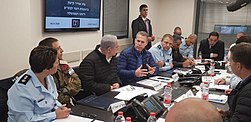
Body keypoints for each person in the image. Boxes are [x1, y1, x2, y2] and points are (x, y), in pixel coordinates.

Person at [7, 46, 71, 121]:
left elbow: (52, 99)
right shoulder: (21, 89)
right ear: (47, 68)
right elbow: (25, 120)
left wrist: (60, 108)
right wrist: (55, 115)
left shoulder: (48, 77)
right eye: (57, 62)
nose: (59, 64)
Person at [39, 37, 81, 108]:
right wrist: (67, 91)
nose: (62, 50)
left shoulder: (63, 65)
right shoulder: (43, 72)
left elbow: (77, 83)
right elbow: (52, 98)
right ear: (49, 53)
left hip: (67, 106)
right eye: (58, 49)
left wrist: (64, 91)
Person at [217, 43, 251, 121]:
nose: (229, 64)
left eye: (230, 61)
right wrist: (227, 114)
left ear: (238, 66)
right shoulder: (245, 82)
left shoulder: (248, 92)